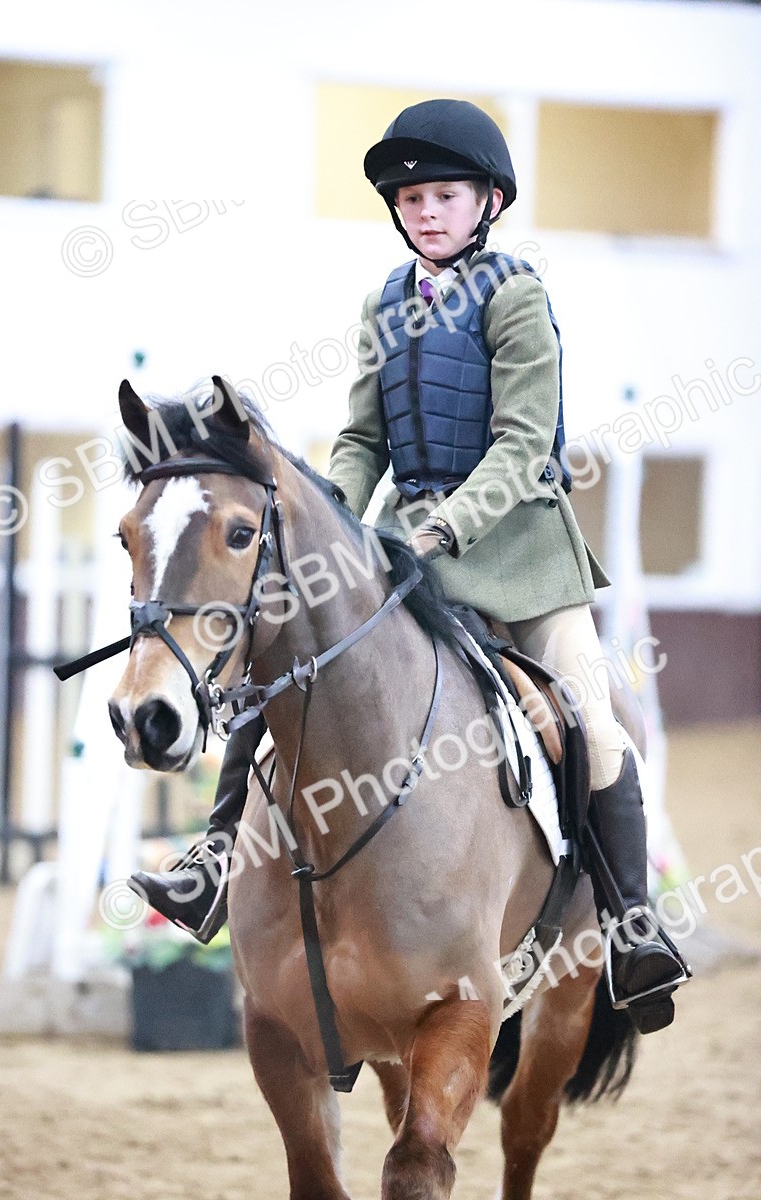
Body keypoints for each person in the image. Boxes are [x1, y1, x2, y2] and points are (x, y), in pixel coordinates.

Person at [132, 99, 687, 1033]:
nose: (425, 211)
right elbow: (359, 435)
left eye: (444, 195)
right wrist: (333, 525)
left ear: (489, 202)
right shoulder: (385, 301)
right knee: (278, 666)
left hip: (518, 559)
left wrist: (438, 534)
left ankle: (633, 924)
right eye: (411, 198)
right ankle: (210, 862)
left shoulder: (516, 299)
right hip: (400, 547)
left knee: (594, 715)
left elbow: (520, 451)